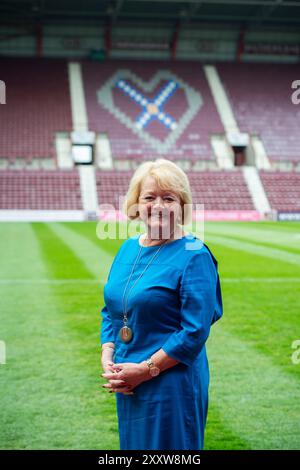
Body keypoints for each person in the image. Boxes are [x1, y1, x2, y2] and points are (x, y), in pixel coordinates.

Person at [100, 158, 223, 450]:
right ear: (136, 204)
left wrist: (145, 370)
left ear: (182, 206)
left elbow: (194, 332)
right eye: (149, 197)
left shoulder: (194, 254)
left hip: (170, 381)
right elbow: (113, 309)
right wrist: (108, 352)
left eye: (169, 198)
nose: (158, 205)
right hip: (128, 377)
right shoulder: (127, 247)